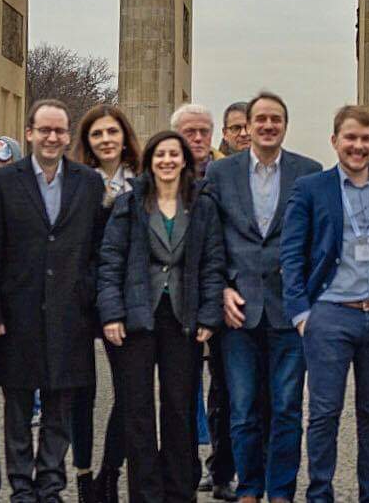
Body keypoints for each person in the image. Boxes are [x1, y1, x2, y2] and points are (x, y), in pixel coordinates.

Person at [283, 104, 369, 503]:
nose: (358, 146)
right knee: (325, 413)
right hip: (330, 314)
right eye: (350, 138)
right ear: (335, 141)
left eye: (366, 139)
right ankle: (320, 493)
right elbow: (292, 254)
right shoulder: (311, 188)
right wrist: (300, 313)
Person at [0, 99, 104, 503]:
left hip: (71, 310)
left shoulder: (89, 182)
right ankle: (21, 485)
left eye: (60, 131)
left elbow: (96, 249)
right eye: (45, 130)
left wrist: (88, 295)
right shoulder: (2, 183)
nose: (53, 137)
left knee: (60, 405)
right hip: (18, 310)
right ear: (30, 132)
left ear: (69, 136)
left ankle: (50, 483)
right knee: (16, 405)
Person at [203, 91, 321, 503]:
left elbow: (318, 241)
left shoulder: (309, 173)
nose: (268, 126)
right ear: (247, 127)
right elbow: (209, 239)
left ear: (285, 125)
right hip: (239, 308)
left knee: (288, 409)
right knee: (243, 410)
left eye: (276, 119)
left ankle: (282, 491)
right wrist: (220, 288)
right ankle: (250, 488)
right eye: (261, 119)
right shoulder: (220, 175)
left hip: (291, 309)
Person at [98, 129, 226, 503]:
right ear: (149, 161)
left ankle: (178, 490)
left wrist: (209, 314)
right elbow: (110, 262)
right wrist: (111, 313)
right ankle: (145, 493)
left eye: (174, 154)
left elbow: (213, 264)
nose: (167, 161)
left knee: (179, 405)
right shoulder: (130, 202)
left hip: (183, 318)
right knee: (137, 409)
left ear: (185, 159)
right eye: (160, 155)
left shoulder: (202, 204)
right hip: (138, 315)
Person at [71, 103, 141, 502]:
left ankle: (111, 470)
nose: (105, 140)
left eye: (112, 132)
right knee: (82, 390)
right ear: (88, 141)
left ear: (124, 136)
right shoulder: (77, 183)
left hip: (124, 298)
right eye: (97, 134)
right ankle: (83, 475)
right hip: (82, 299)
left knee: (129, 391)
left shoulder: (143, 182)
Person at [176, 102, 238, 500]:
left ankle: (221, 470)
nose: (197, 139)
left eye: (203, 132)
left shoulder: (225, 177)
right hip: (175, 302)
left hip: (219, 297)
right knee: (180, 391)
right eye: (189, 133)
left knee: (224, 390)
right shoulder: (159, 175)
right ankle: (182, 470)